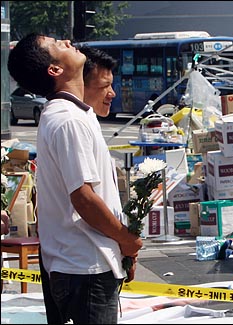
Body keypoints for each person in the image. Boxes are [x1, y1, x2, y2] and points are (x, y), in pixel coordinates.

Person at [8, 33, 142, 324]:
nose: (67, 42)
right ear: (54, 70)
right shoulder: (68, 119)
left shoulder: (71, 114)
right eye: (57, 44)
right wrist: (125, 240)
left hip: (84, 264)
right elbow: (83, 197)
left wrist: (121, 247)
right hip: (85, 267)